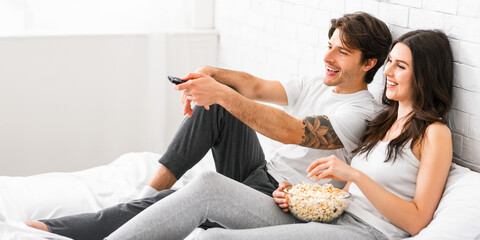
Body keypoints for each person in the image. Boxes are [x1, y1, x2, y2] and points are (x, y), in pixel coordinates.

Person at [25, 12, 392, 239]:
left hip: (284, 200)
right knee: (218, 106)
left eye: (342, 52)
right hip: (262, 173)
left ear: (368, 63)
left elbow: (290, 130)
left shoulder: (362, 112)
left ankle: (60, 230)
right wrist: (211, 75)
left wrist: (219, 92)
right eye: (329, 46)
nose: (327, 57)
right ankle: (150, 190)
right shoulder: (318, 81)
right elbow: (254, 86)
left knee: (185, 198)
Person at [102, 29, 454, 240]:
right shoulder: (383, 123)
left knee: (212, 238)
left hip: (362, 233)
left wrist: (355, 174)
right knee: (208, 186)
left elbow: (417, 218)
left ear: (425, 75)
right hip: (332, 217)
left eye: (401, 66)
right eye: (390, 61)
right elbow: (344, 194)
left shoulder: (435, 134)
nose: (388, 72)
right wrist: (303, 197)